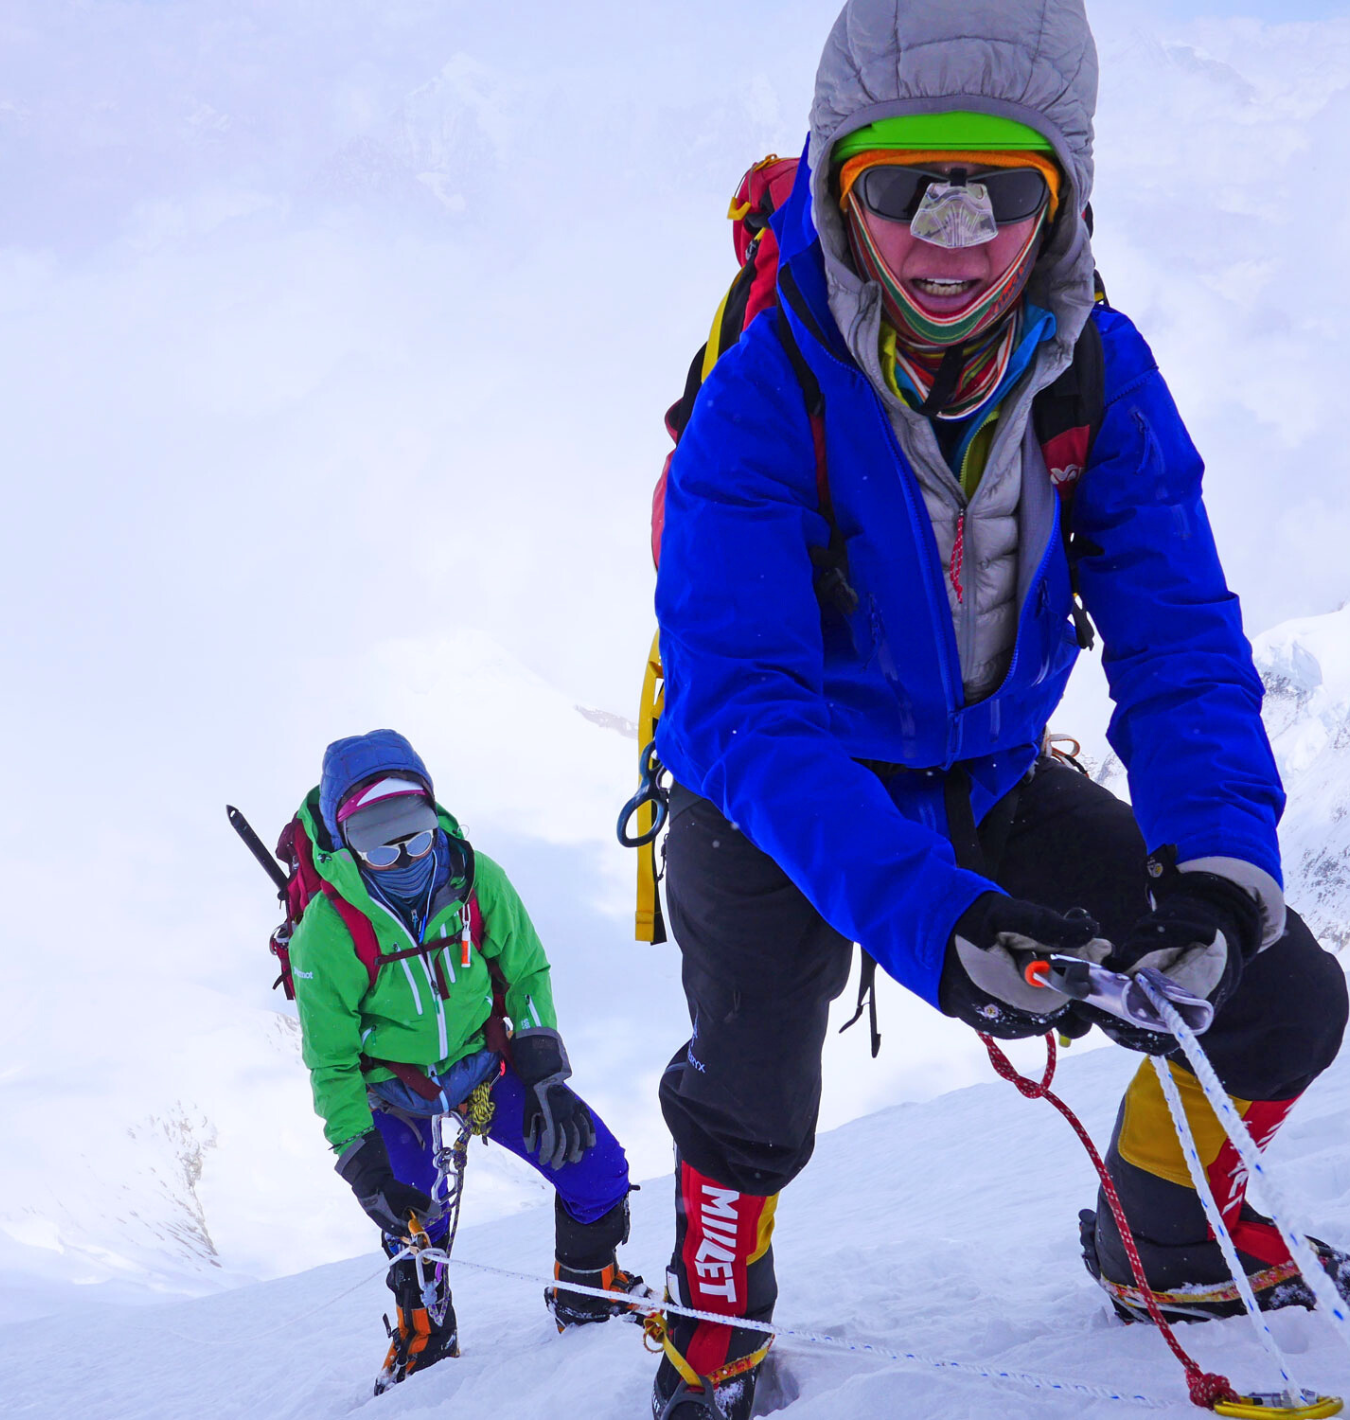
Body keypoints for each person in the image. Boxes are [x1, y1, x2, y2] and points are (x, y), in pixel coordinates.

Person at [649, 1, 1349, 1415]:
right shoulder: (762, 397)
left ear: (1063, 193)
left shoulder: (1096, 370)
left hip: (989, 773)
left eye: (1000, 192)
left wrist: (1212, 870)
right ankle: (710, 1322)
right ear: (841, 183)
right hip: (771, 797)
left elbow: (1174, 638)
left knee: (1278, 1000)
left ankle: (1166, 1246)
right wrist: (936, 915)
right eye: (906, 189)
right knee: (750, 1094)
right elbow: (740, 710)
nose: (954, 239)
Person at [288, 728, 644, 1393]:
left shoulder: (475, 877)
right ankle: (426, 1337)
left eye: (415, 830)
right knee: (418, 1228)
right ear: (343, 840)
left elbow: (528, 968)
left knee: (598, 1171)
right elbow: (332, 1064)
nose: (402, 855)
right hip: (392, 1090)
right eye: (376, 839)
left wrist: (546, 1074)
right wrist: (364, 1165)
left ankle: (587, 1295)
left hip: (482, 1067)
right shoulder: (327, 933)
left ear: (435, 813)